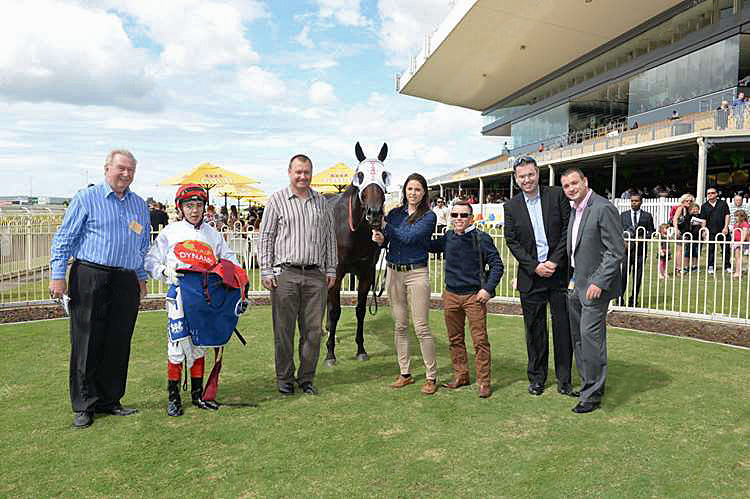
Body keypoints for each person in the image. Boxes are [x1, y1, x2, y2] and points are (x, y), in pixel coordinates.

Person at [49, 149, 150, 429]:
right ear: (107, 169)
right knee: (87, 340)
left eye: (131, 170)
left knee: (118, 341)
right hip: (90, 275)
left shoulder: (139, 205)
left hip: (125, 279)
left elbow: (141, 246)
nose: (126, 174)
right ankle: (84, 404)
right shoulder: (86, 198)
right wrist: (58, 276)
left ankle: (110, 399)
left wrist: (141, 278)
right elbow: (63, 239)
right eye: (121, 168)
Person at [144, 184, 246, 416]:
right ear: (180, 208)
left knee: (200, 345)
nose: (194, 210)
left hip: (203, 298)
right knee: (176, 347)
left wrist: (236, 275)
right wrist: (164, 271)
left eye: (199, 205)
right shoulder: (170, 232)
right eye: (189, 205)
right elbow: (150, 260)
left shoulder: (212, 234)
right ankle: (173, 398)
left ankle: (198, 395)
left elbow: (230, 259)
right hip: (179, 297)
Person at [259, 154, 337, 396]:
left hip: (315, 276)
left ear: (312, 173)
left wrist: (331, 268)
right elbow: (266, 237)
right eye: (298, 172)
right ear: (290, 173)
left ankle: (306, 378)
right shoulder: (277, 200)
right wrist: (266, 269)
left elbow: (330, 238)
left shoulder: (322, 202)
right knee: (283, 330)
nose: (303, 176)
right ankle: (284, 378)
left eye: (307, 172)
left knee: (313, 332)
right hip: (285, 274)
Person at [503, 156, 574, 397]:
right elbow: (511, 240)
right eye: (522, 176)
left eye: (530, 174)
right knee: (535, 331)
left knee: (563, 328)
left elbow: (567, 229)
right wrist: (534, 266)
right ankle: (537, 378)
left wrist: (554, 261)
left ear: (538, 173)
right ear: (516, 179)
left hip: (558, 274)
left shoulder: (557, 195)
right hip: (531, 277)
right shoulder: (511, 206)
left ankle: (564, 380)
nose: (527, 180)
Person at [561, 167, 624, 414]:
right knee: (579, 338)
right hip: (575, 283)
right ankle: (590, 385)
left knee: (590, 339)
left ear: (585, 181)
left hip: (594, 287)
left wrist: (599, 282)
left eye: (574, 183)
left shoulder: (602, 207)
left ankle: (592, 395)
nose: (571, 188)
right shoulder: (574, 209)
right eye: (566, 186)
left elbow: (615, 251)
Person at [372, 173, 439, 395]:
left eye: (417, 189)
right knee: (400, 326)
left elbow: (409, 237)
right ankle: (405, 373)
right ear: (405, 191)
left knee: (421, 327)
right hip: (394, 272)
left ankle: (431, 376)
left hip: (416, 273)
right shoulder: (395, 214)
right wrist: (381, 240)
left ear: (424, 192)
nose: (413, 193)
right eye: (410, 189)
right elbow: (389, 241)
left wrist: (386, 226)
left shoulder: (428, 216)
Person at [427, 200, 503, 398]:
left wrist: (487, 289)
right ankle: (461, 375)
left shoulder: (482, 238)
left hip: (474, 297)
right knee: (455, 339)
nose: (458, 219)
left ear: (471, 218)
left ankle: (484, 382)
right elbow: (428, 245)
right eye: (455, 215)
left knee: (480, 341)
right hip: (451, 295)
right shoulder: (448, 236)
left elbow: (497, 265)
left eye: (463, 215)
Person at [620, 193, 655, 307]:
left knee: (637, 276)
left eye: (636, 201)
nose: (634, 203)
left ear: (641, 202)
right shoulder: (623, 215)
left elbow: (652, 232)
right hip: (626, 251)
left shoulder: (647, 216)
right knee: (623, 275)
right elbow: (618, 231)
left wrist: (643, 238)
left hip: (640, 251)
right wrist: (624, 241)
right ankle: (620, 298)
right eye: (632, 201)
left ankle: (633, 299)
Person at [699, 187, 731, 274]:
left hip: (723, 230)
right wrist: (704, 230)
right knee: (711, 249)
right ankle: (710, 266)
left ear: (716, 194)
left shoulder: (723, 203)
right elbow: (703, 219)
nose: (710, 195)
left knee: (726, 248)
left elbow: (727, 215)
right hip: (710, 231)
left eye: (712, 193)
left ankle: (727, 266)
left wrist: (726, 227)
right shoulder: (704, 206)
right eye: (708, 193)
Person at [674, 201, 704, 273]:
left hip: (698, 236)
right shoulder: (688, 216)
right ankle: (686, 266)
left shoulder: (701, 216)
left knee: (696, 252)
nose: (695, 210)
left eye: (696, 209)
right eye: (693, 209)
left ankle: (694, 266)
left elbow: (704, 222)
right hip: (689, 236)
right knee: (687, 252)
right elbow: (685, 224)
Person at [731, 209, 749, 277]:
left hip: (741, 242)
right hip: (735, 241)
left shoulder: (744, 224)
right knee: (736, 257)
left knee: (739, 257)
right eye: (735, 216)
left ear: (742, 217)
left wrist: (741, 241)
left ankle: (738, 272)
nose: (735, 218)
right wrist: (732, 241)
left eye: (737, 216)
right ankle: (737, 271)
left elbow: (745, 233)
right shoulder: (735, 224)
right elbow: (733, 233)